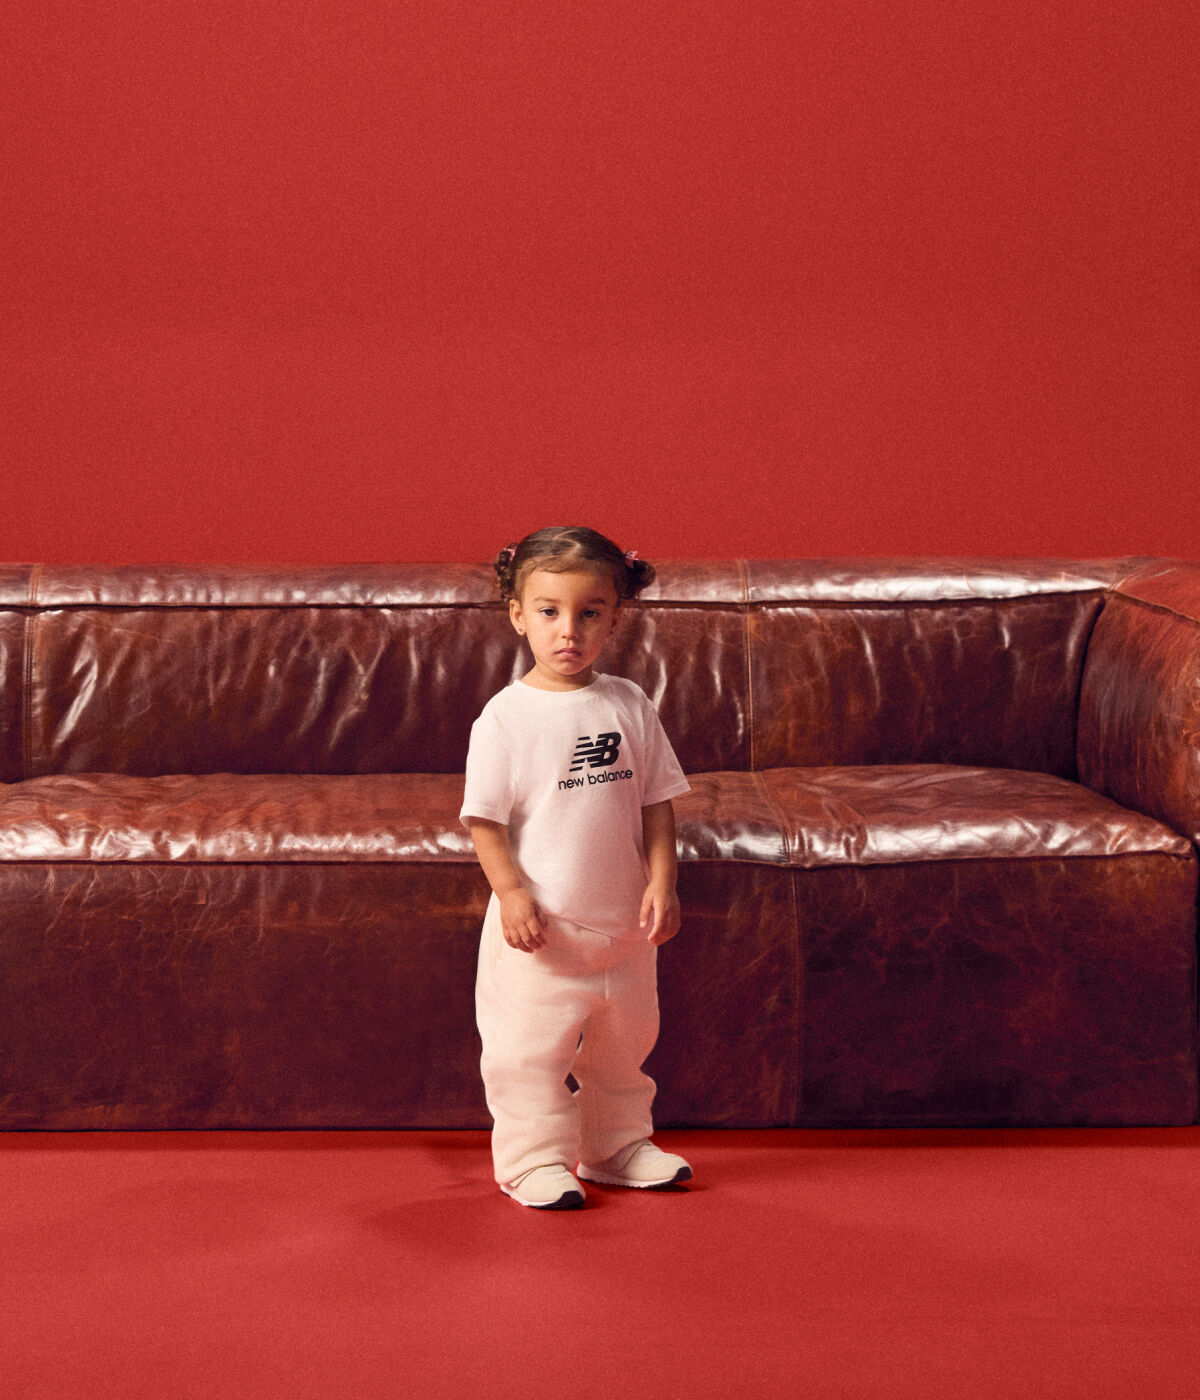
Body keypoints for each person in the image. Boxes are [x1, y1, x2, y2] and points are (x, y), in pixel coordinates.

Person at [459, 525, 694, 1209]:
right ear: (518, 614)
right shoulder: (505, 719)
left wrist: (662, 881)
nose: (570, 631)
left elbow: (655, 804)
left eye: (590, 613)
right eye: (550, 611)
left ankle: (616, 1146)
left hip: (625, 926)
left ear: (615, 618)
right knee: (528, 1054)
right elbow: (485, 821)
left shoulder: (628, 704)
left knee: (624, 1048)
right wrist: (511, 893)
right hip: (541, 932)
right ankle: (532, 1160)